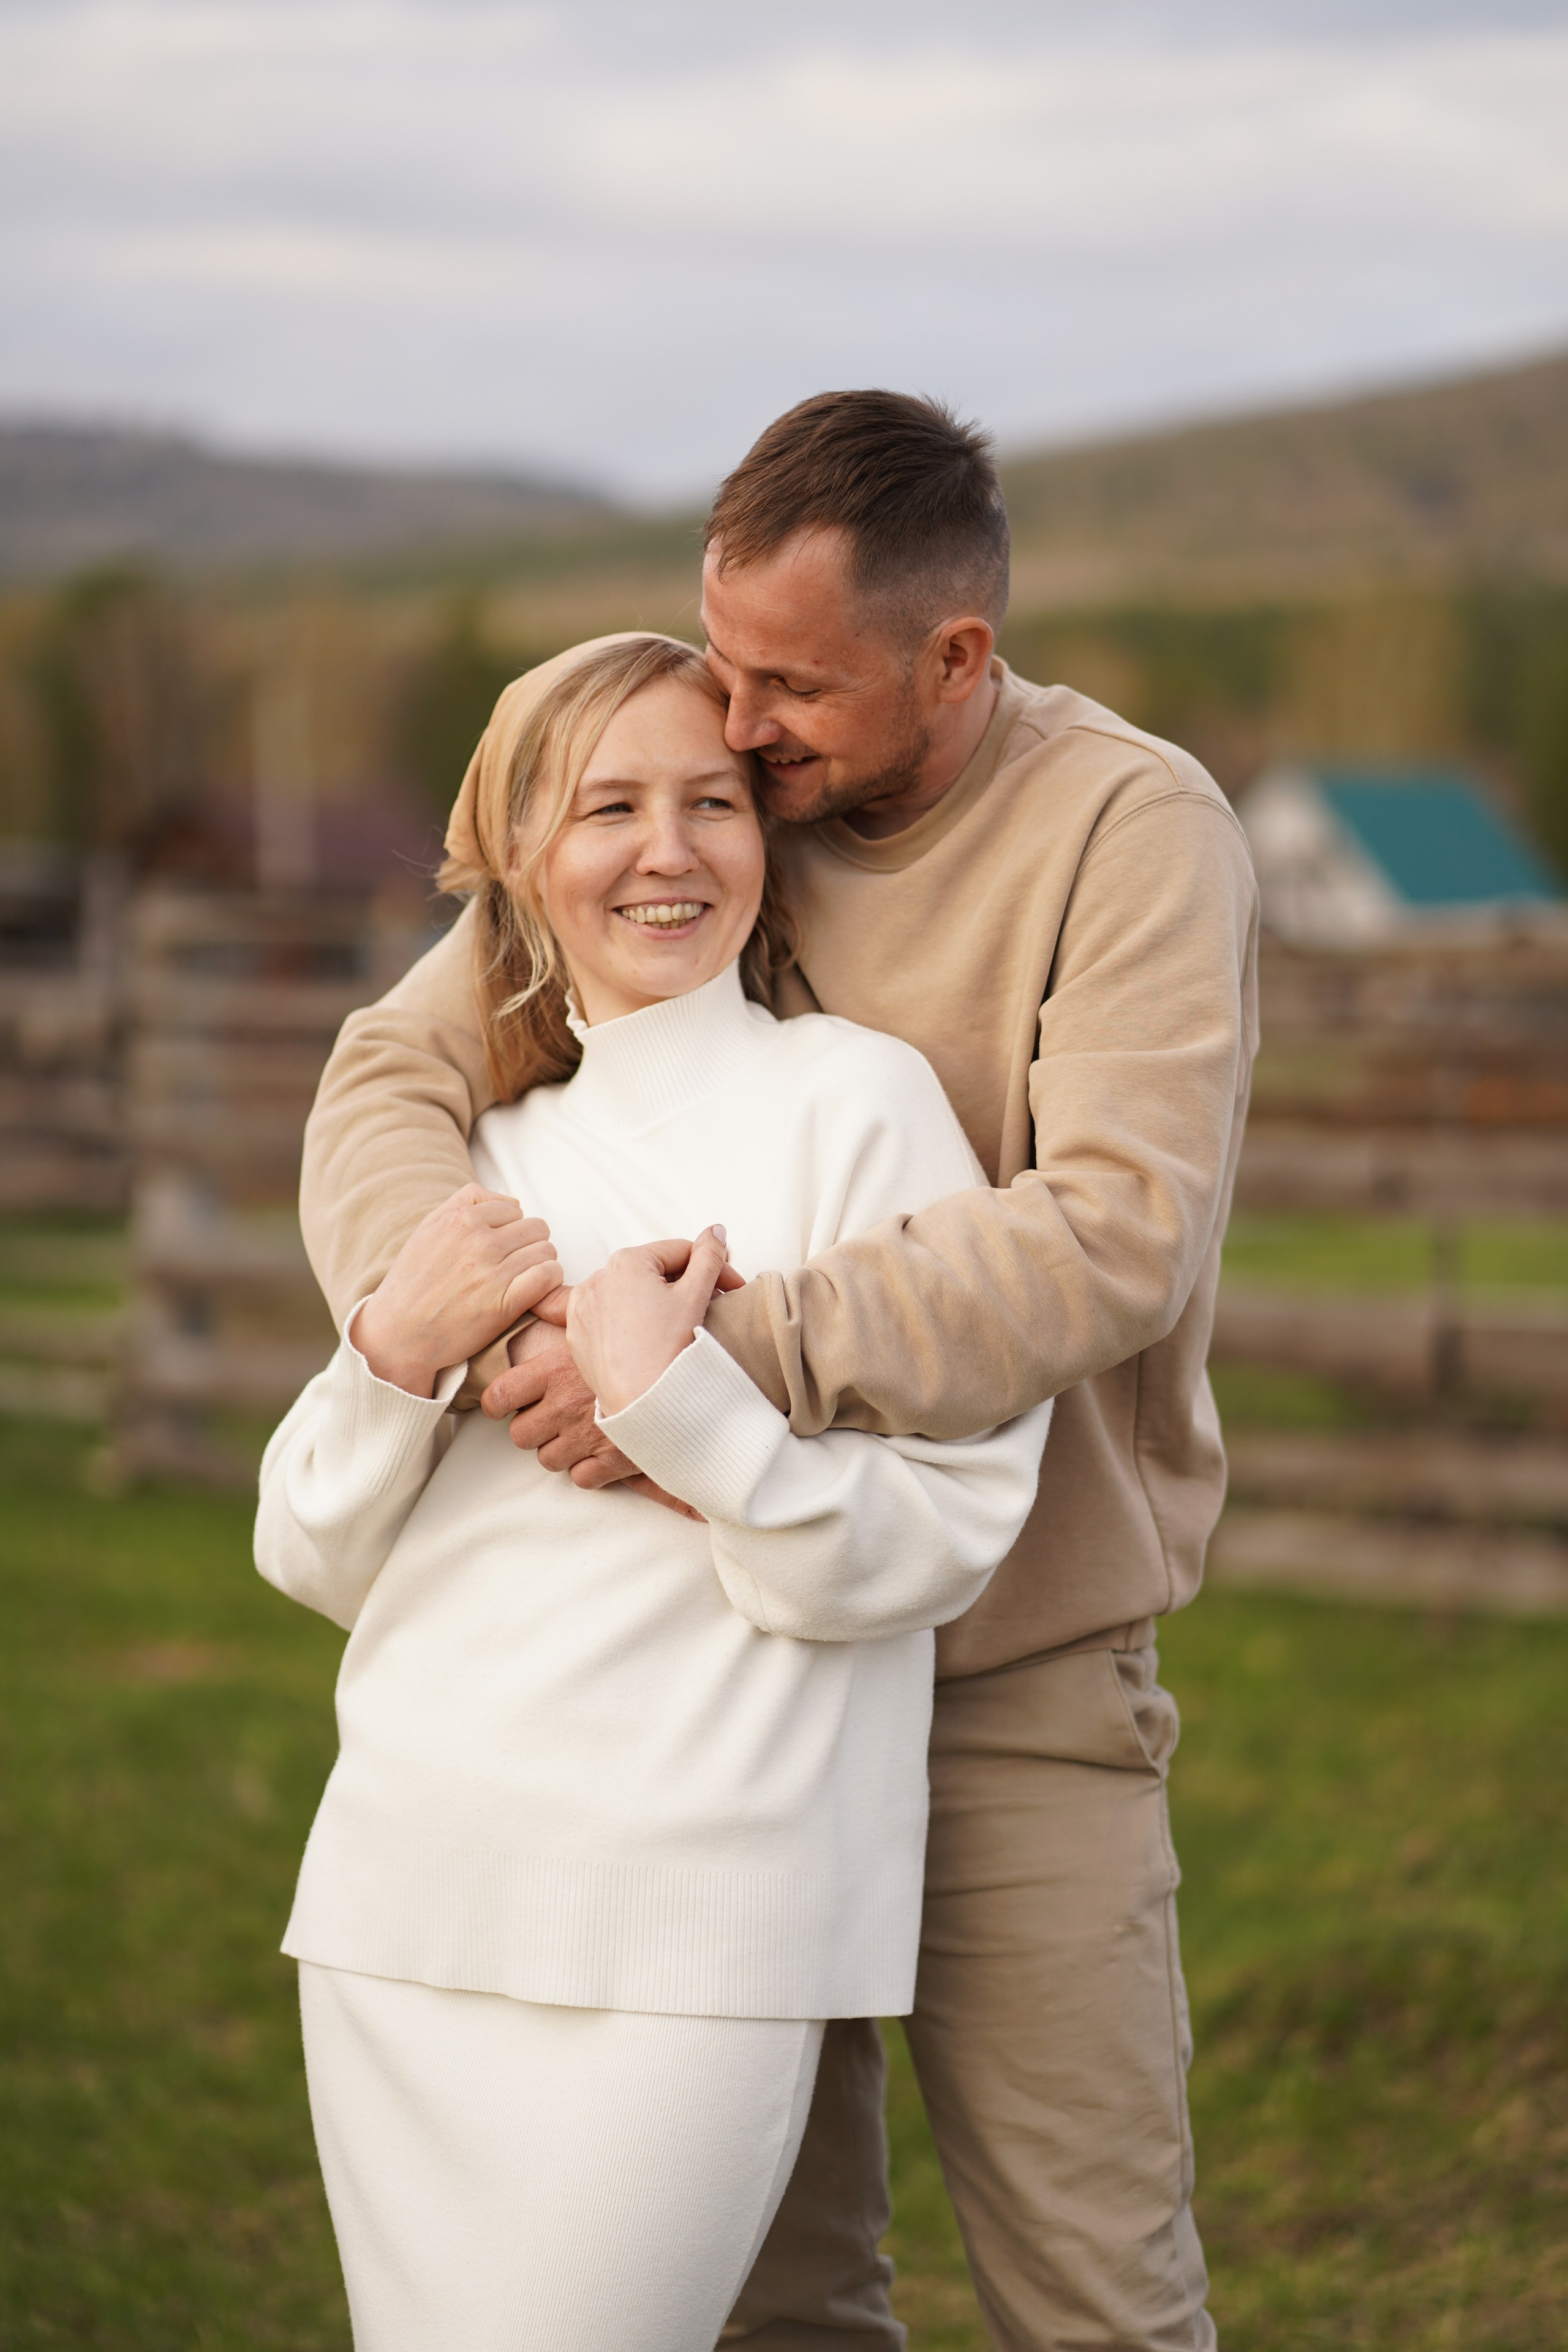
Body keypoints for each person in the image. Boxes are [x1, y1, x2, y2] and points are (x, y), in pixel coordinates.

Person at [301, 393, 1260, 2352]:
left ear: (955, 660)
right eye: (721, 664)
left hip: (1008, 1668)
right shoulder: (734, 812)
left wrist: (706, 1354)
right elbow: (400, 1069)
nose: (730, 731)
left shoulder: (1129, 828)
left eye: (787, 689)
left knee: (1090, 2286)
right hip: (722, 1716)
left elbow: (1116, 1233)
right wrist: (479, 1318)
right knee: (775, 2305)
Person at [257, 632, 1049, 2352]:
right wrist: (396, 1348)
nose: (669, 849)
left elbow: (943, 1532)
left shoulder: (859, 1106)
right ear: (523, 863)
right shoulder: (478, 1160)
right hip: (409, 1898)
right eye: (609, 806)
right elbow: (310, 1545)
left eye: (712, 802)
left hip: (707, 1919)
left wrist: (682, 1406)